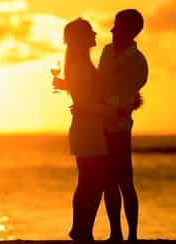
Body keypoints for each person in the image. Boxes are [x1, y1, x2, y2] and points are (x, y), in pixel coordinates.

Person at [99, 9, 148, 242]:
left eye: (117, 26)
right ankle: (115, 233)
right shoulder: (107, 52)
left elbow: (129, 96)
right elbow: (98, 84)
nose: (112, 30)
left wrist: (108, 105)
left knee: (125, 180)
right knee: (108, 180)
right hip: (101, 122)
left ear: (130, 30)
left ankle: (133, 236)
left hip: (119, 126)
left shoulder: (138, 61)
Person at [60, 17, 111, 242]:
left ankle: (82, 229)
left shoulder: (80, 64)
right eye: (89, 31)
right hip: (87, 129)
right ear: (80, 38)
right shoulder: (80, 66)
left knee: (89, 181)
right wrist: (112, 110)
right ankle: (82, 229)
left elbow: (82, 98)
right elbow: (84, 104)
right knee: (92, 181)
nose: (95, 34)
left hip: (88, 127)